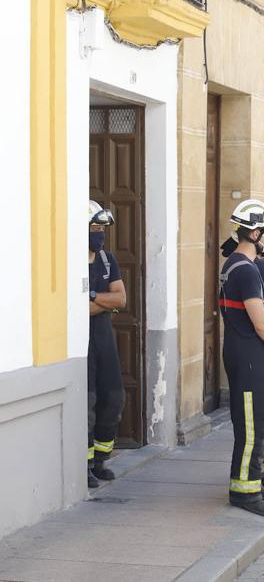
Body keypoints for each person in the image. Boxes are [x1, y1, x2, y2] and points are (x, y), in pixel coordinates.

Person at [219, 200, 264, 518]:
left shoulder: (236, 264)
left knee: (256, 419)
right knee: (250, 425)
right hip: (247, 354)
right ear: (256, 233)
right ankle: (244, 492)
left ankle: (252, 482)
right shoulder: (246, 270)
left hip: (243, 351)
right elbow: (260, 322)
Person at [87, 200, 127, 489]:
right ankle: (85, 464)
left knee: (113, 398)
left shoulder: (107, 260)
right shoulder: (70, 263)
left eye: (102, 229)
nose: (99, 234)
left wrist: (92, 297)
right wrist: (105, 302)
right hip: (83, 342)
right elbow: (81, 309)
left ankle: (101, 459)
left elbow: (121, 299)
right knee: (88, 403)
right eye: (94, 228)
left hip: (104, 338)